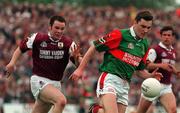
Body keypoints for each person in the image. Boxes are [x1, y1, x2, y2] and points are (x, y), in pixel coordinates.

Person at [70, 10, 161, 113]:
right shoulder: (120, 34)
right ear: (135, 22)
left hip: (125, 85)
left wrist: (150, 76)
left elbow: (139, 70)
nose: (145, 30)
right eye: (143, 26)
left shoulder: (144, 44)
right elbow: (94, 46)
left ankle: (96, 111)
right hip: (110, 80)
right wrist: (80, 69)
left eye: (148, 28)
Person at [5, 15, 82, 113]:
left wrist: (78, 58)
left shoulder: (69, 43)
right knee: (61, 101)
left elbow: (78, 62)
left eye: (62, 29)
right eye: (57, 28)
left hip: (56, 84)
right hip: (39, 81)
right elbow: (21, 48)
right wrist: (12, 63)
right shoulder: (38, 38)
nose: (59, 31)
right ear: (50, 27)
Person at [136, 26, 180, 113]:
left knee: (173, 111)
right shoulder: (155, 50)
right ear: (161, 36)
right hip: (153, 85)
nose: (166, 37)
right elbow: (146, 65)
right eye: (164, 35)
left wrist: (177, 72)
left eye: (169, 35)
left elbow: (169, 67)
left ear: (172, 37)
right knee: (144, 112)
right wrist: (161, 65)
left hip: (166, 87)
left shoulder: (173, 52)